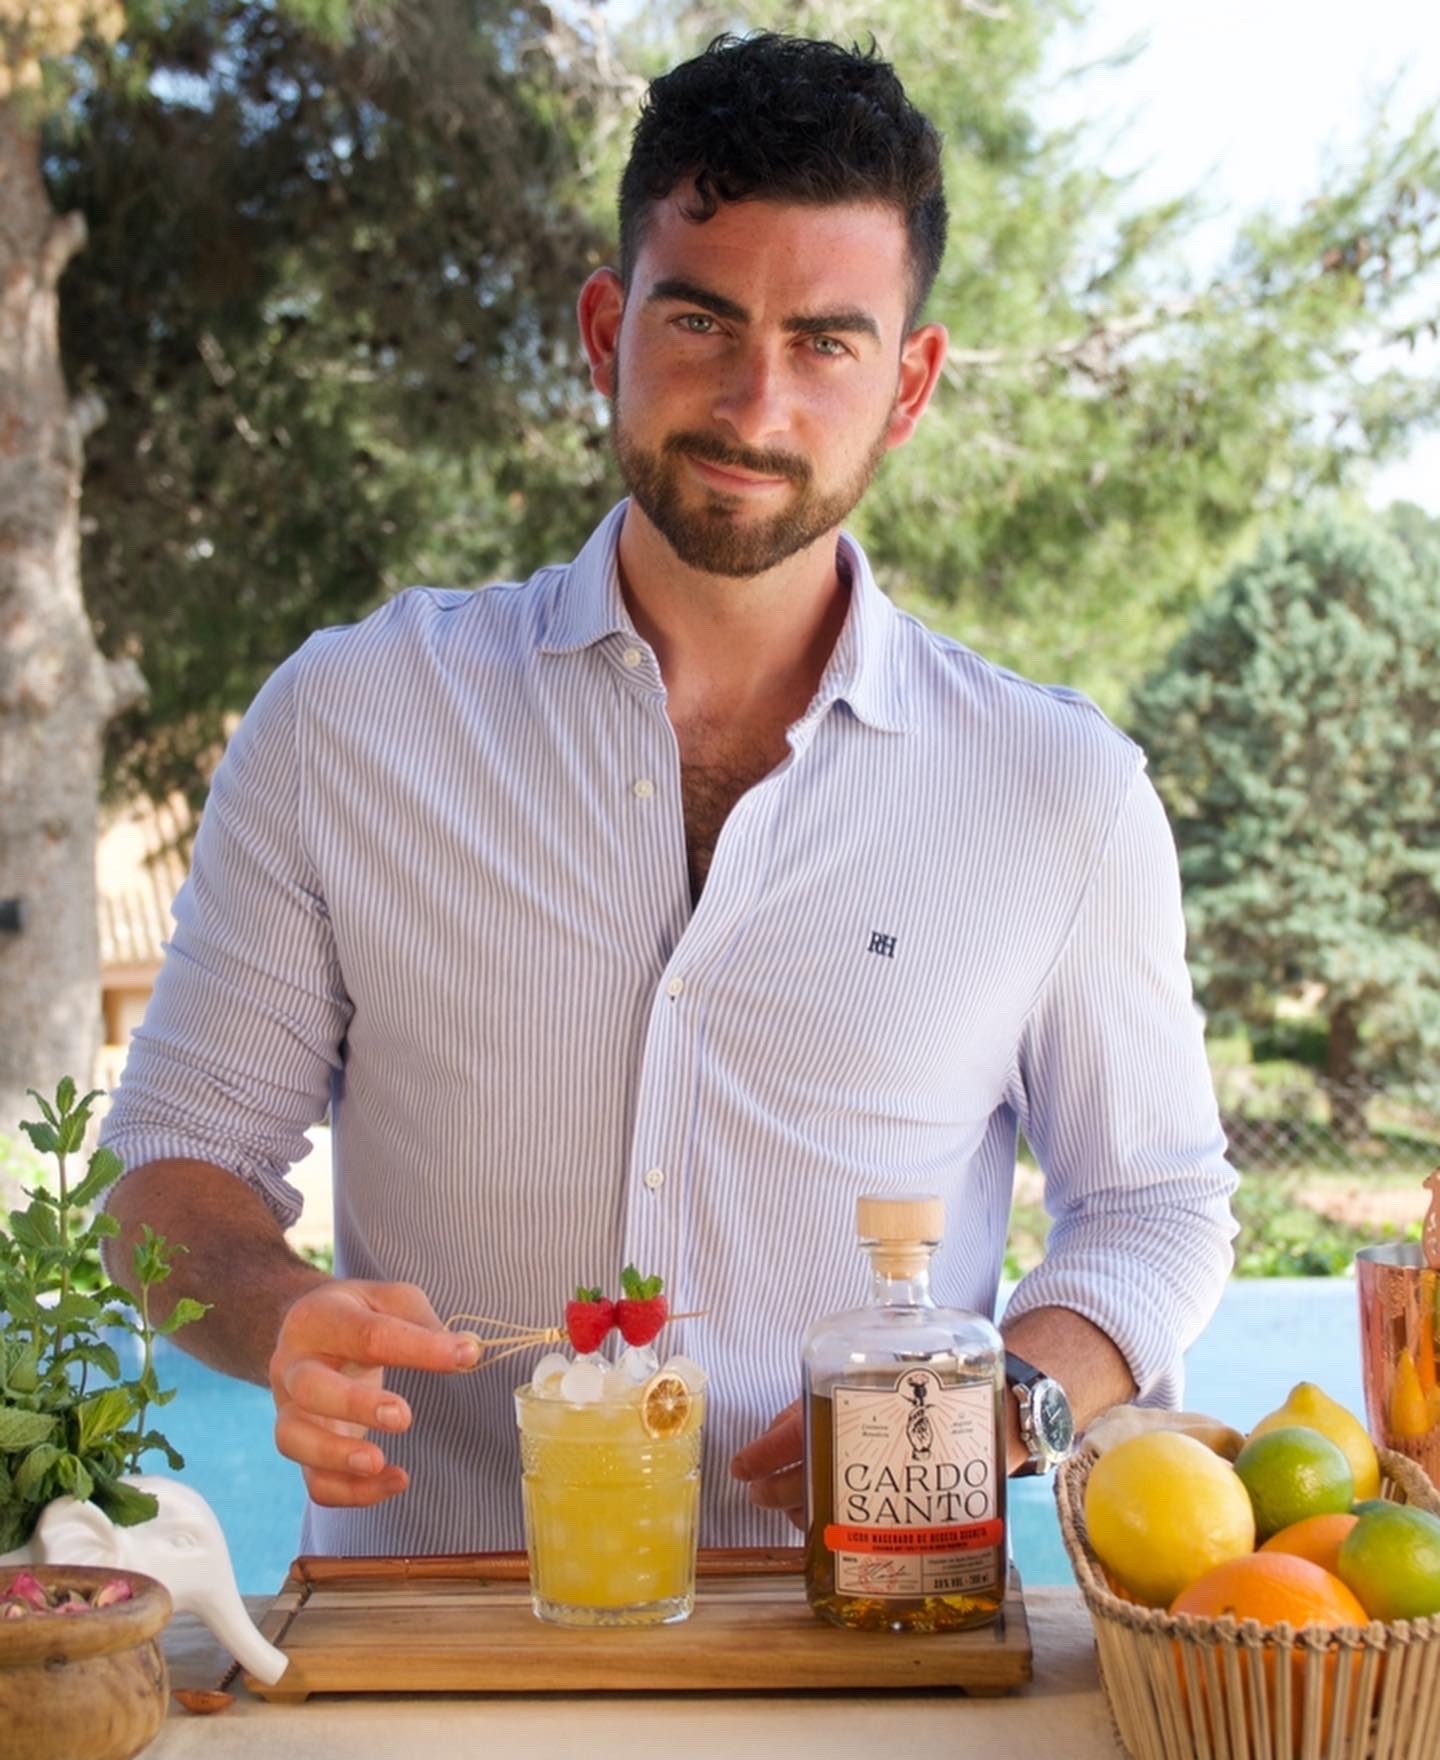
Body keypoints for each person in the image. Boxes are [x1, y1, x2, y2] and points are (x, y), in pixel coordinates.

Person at [101, 32, 1237, 1556]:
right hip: (435, 1644)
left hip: (865, 1638)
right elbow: (168, 1168)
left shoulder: (1060, 793)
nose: (755, 408)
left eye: (826, 343)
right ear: (604, 331)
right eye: (702, 320)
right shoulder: (349, 724)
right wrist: (279, 1310)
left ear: (909, 385)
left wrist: (999, 1410)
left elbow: (1156, 1208)